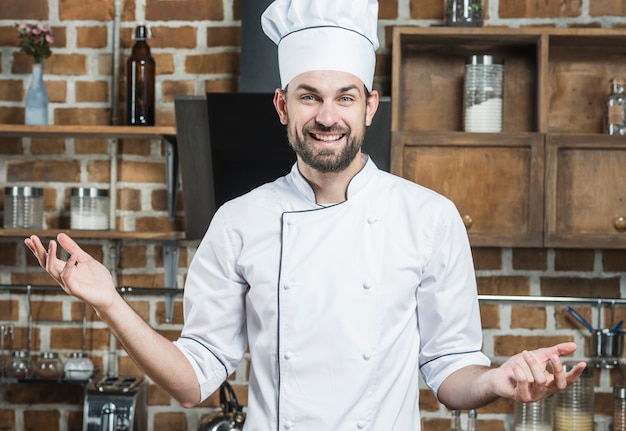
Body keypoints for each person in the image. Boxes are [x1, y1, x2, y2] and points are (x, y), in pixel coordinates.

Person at [25, 0, 586, 429]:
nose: (326, 115)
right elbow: (192, 382)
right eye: (309, 95)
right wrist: (109, 301)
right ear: (281, 104)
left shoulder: (429, 218)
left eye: (345, 97)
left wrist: (498, 378)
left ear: (369, 107)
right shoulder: (238, 222)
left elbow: (450, 373)